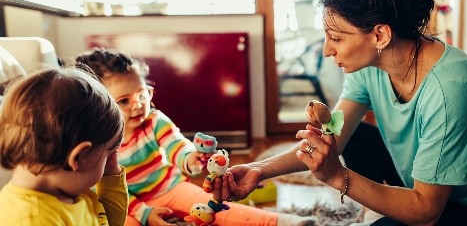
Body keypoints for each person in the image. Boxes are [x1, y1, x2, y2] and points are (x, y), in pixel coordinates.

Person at [219, 0, 467, 225]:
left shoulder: (453, 88)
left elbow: (426, 211)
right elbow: (333, 136)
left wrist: (337, 176)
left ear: (379, 34)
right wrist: (259, 169)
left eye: (336, 38)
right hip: (433, 194)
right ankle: (379, 205)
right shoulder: (369, 66)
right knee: (351, 136)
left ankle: (385, 209)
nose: (327, 50)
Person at [75, 48, 315, 226]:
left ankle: (277, 222)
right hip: (126, 203)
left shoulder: (155, 121)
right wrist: (144, 213)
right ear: (99, 106)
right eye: (124, 101)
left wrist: (194, 159)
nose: (138, 105)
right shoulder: (98, 141)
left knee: (216, 209)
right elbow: (102, 190)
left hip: (169, 187)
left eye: (142, 95)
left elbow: (178, 147)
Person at [0, 67, 128, 225]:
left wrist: (111, 176)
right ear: (79, 158)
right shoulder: (32, 220)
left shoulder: (70, 189)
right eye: (107, 156)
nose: (109, 162)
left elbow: (109, 221)